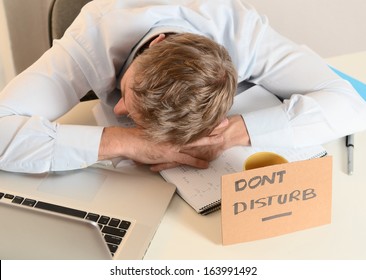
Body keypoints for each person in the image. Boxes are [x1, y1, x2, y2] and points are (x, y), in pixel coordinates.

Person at [0, 0, 365, 174]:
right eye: (127, 95)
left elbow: (350, 103)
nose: (120, 109)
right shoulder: (93, 35)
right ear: (155, 45)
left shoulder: (241, 30)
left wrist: (231, 134)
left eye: (121, 99)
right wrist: (125, 140)